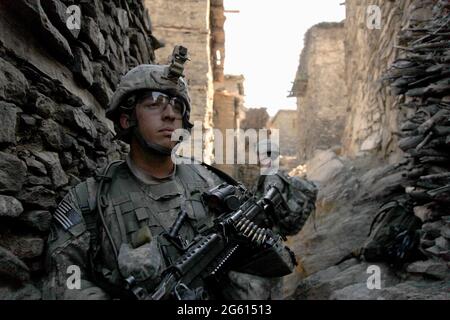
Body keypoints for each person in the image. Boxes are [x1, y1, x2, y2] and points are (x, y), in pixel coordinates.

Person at [43, 46, 306, 300]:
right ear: (126, 119)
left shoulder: (212, 183)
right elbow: (66, 281)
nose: (170, 115)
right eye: (154, 103)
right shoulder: (88, 202)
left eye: (177, 106)